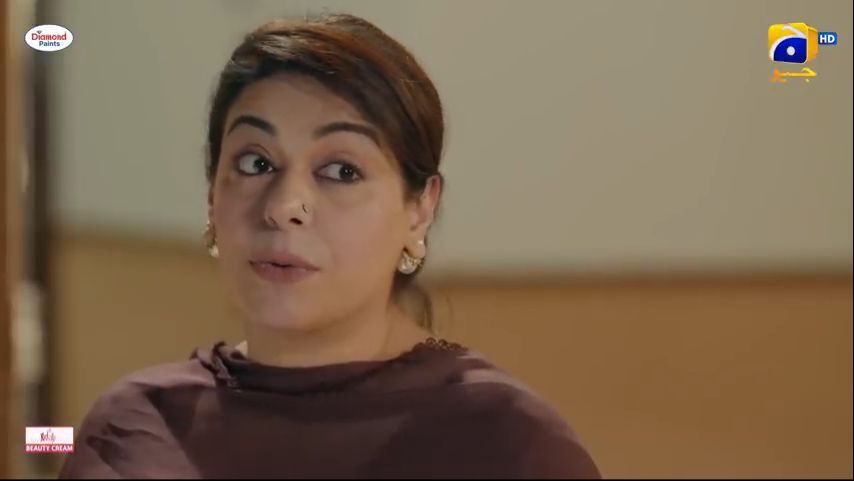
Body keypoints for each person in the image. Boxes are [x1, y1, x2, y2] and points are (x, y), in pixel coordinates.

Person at [58, 13, 600, 479]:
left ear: (420, 209)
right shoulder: (132, 432)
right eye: (255, 162)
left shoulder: (507, 443)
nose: (284, 205)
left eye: (341, 171)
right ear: (211, 193)